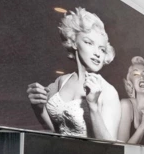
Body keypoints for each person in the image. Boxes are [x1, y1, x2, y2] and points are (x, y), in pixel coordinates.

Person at [26, 8, 121, 140]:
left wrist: (93, 106)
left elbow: (110, 147)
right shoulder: (61, 81)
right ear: (74, 42)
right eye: (89, 42)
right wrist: (39, 109)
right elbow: (55, 132)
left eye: (102, 49)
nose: (97, 53)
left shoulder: (109, 91)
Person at [117, 55, 144, 144]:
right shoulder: (126, 105)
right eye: (136, 74)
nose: (141, 77)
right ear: (131, 83)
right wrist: (143, 127)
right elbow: (121, 148)